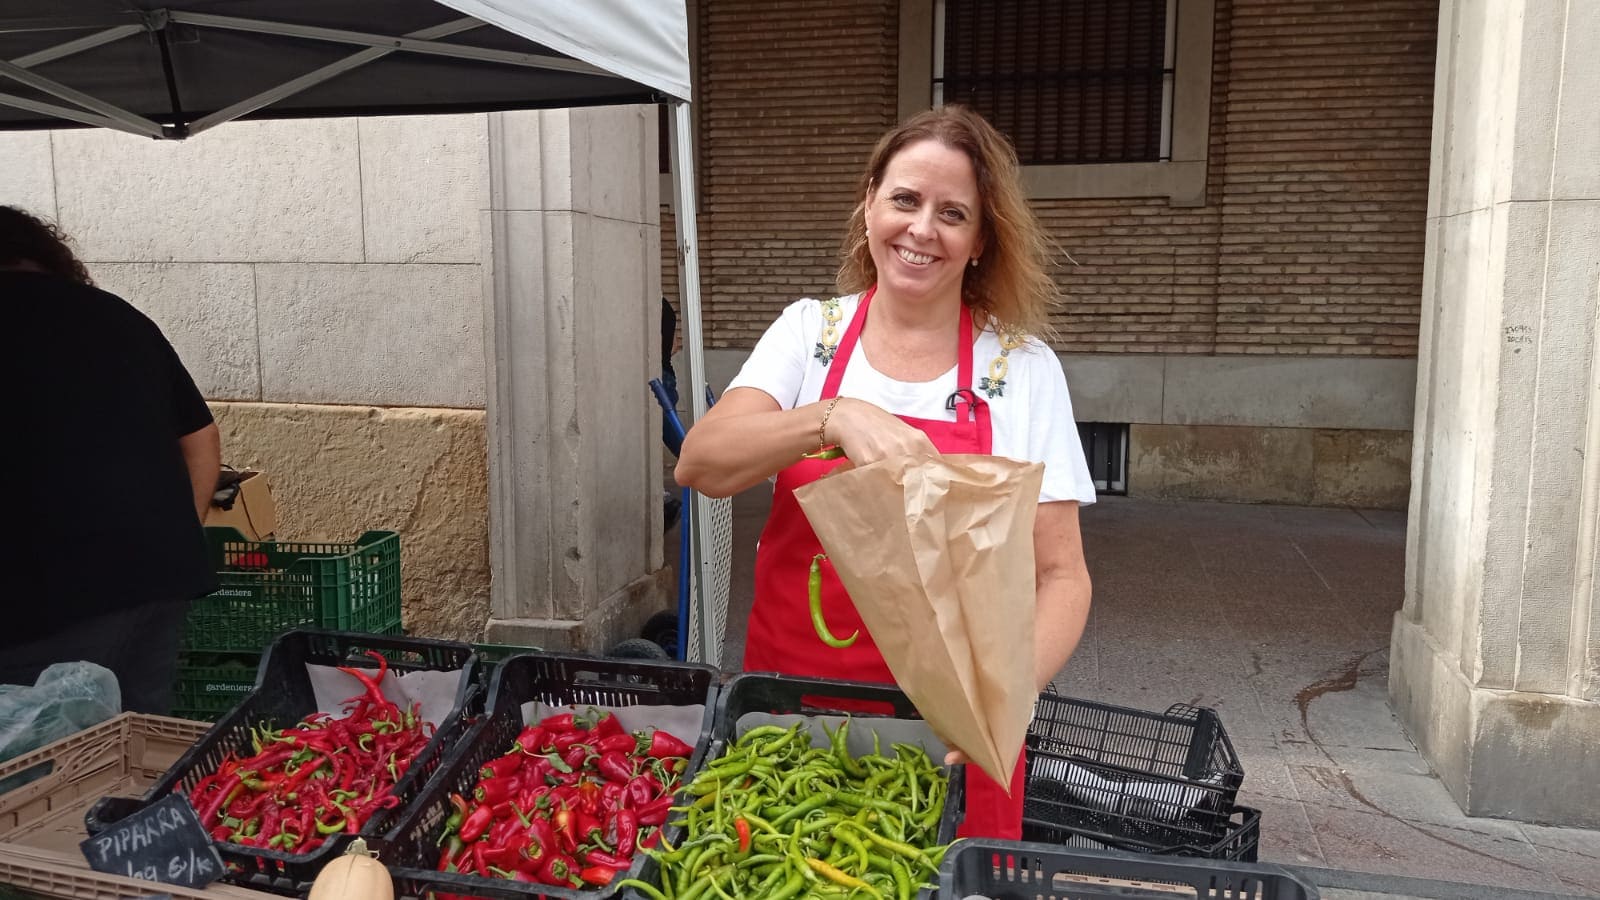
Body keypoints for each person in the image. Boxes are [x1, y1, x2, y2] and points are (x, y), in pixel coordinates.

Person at [675, 105, 1096, 840]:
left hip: (953, 729)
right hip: (794, 714)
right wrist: (830, 417)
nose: (922, 229)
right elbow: (701, 462)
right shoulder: (810, 334)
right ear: (869, 202)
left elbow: (1061, 573)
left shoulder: (1020, 368)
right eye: (905, 199)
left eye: (953, 213)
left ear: (981, 240)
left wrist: (1007, 697)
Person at [0, 206, 221, 715]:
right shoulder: (116, 314)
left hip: (45, 592)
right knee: (140, 738)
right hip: (158, 575)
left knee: (42, 757)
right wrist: (181, 531)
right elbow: (202, 437)